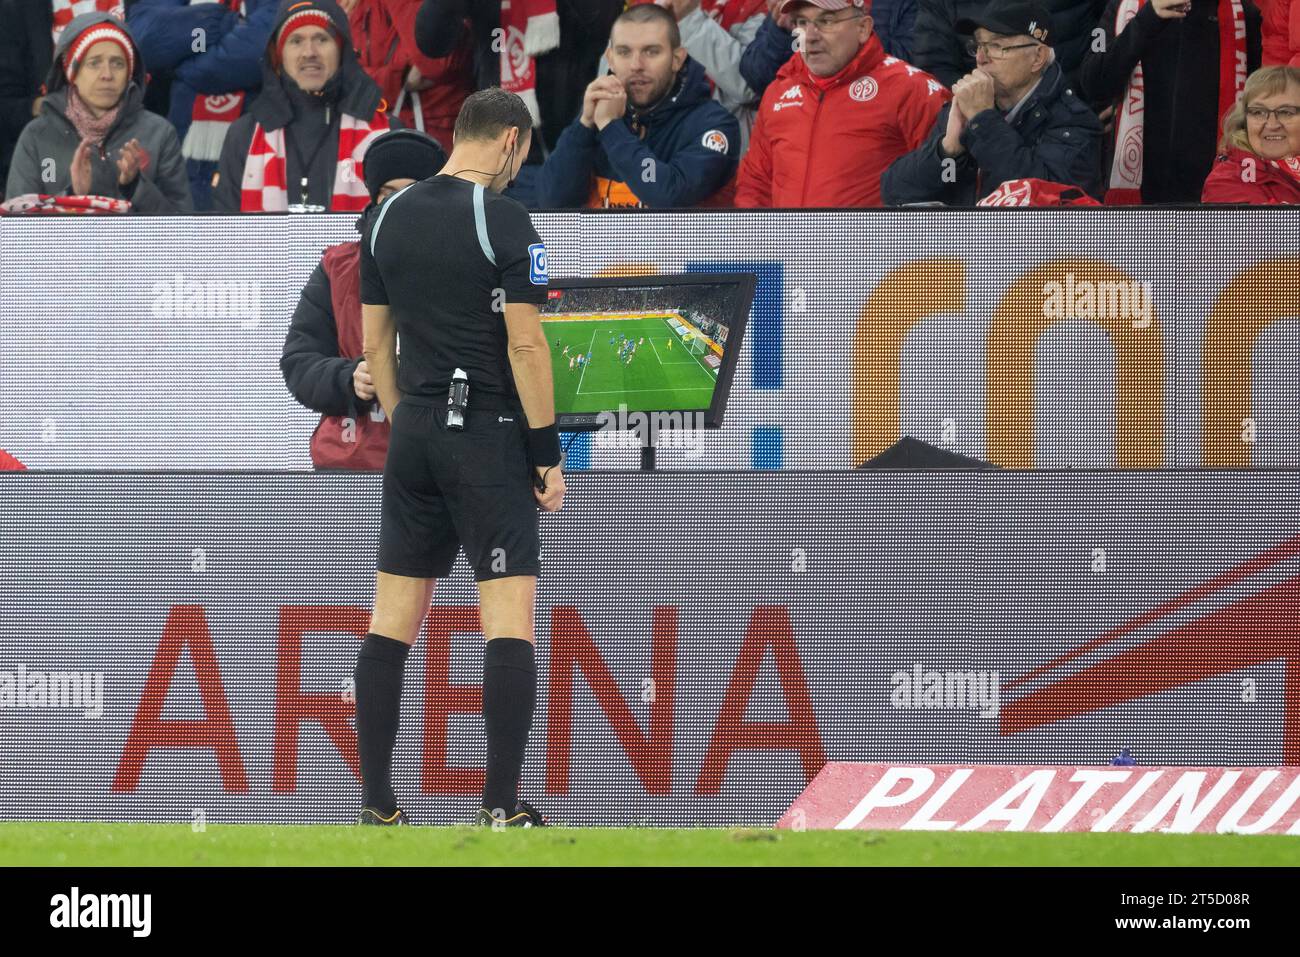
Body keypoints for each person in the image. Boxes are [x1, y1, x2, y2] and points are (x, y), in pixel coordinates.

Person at [355, 87, 564, 827]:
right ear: (510, 140)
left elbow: (375, 345)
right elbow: (527, 342)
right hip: (485, 430)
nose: (518, 170)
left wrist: (404, 414)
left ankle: (378, 806)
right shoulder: (502, 217)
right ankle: (500, 806)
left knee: (391, 621)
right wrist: (547, 452)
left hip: (412, 428)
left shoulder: (383, 216)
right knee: (509, 619)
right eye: (522, 156)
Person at [281, 129, 447, 471]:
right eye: (388, 193)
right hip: (352, 462)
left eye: (411, 192)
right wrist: (349, 377)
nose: (398, 204)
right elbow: (299, 363)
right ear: (373, 198)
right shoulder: (336, 267)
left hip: (440, 459)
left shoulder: (463, 263)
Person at [881, 1, 1102, 204]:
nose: (980, 58)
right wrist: (947, 152)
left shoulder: (1075, 123)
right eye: (978, 46)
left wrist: (984, 120)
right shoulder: (968, 108)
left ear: (1037, 57)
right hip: (963, 244)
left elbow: (1040, 202)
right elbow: (894, 191)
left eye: (996, 46)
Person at [734, 0, 950, 207]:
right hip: (788, 244)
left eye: (826, 21)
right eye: (801, 22)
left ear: (863, 28)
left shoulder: (912, 89)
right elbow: (754, 183)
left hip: (874, 244)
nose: (809, 36)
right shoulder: (778, 92)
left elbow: (951, 177)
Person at [537, 4, 740, 207]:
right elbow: (552, 201)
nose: (636, 65)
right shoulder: (601, 113)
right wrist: (583, 126)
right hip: (603, 239)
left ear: (677, 59)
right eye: (624, 52)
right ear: (611, 59)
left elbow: (668, 195)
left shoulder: (713, 124)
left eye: (651, 52)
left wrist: (610, 127)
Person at [212, 0, 399, 212]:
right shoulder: (244, 134)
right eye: (296, 40)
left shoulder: (386, 135)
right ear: (277, 57)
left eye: (322, 39)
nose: (309, 52)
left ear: (342, 51)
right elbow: (228, 232)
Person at [4, 12, 193, 211]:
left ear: (129, 74)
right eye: (94, 63)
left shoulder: (160, 133)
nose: (107, 75)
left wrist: (135, 186)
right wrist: (71, 198)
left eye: (118, 63)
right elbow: (18, 233)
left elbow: (183, 229)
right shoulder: (36, 136)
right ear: (72, 74)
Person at [1079, 0, 1263, 204]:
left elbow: (1255, 104)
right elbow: (1092, 83)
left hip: (1211, 190)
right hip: (1141, 191)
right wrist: (1147, 19)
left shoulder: (1244, 14)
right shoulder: (1124, 7)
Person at [127, 0, 278, 210]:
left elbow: (260, 49)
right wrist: (222, 21)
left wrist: (179, 62)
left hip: (257, 143)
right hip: (177, 146)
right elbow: (145, 40)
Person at [348, 0, 473, 153]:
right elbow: (340, 77)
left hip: (439, 131)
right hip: (382, 132)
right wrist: (400, 75)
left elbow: (435, 61)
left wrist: (392, 77)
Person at [914, 0, 1106, 89]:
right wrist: (984, 115)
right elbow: (935, 71)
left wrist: (1107, 94)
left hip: (1077, 117)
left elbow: (1109, 27)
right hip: (988, 129)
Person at [1202, 65, 1300, 201]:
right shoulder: (1226, 181)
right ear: (1244, 121)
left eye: (1286, 112)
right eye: (1258, 112)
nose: (1272, 124)